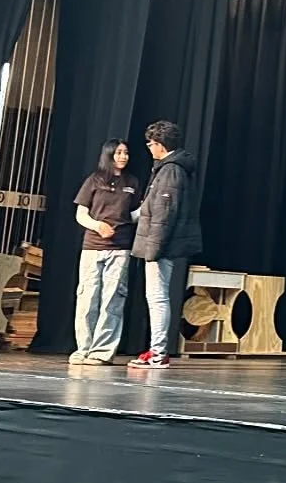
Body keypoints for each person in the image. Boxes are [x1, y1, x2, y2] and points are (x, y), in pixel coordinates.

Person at [128, 120, 202, 370]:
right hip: (158, 245)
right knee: (156, 297)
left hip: (160, 247)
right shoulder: (169, 168)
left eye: (150, 144)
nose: (149, 148)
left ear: (160, 144)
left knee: (157, 298)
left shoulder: (171, 170)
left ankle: (158, 352)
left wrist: (153, 249)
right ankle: (156, 350)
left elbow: (164, 214)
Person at [70, 139, 142, 366]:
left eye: (126, 153)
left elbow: (134, 215)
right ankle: (83, 349)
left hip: (120, 247)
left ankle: (102, 352)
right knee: (87, 298)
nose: (123, 157)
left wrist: (149, 206)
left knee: (113, 299)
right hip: (93, 247)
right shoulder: (94, 180)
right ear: (108, 154)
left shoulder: (132, 182)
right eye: (118, 152)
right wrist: (97, 226)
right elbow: (81, 214)